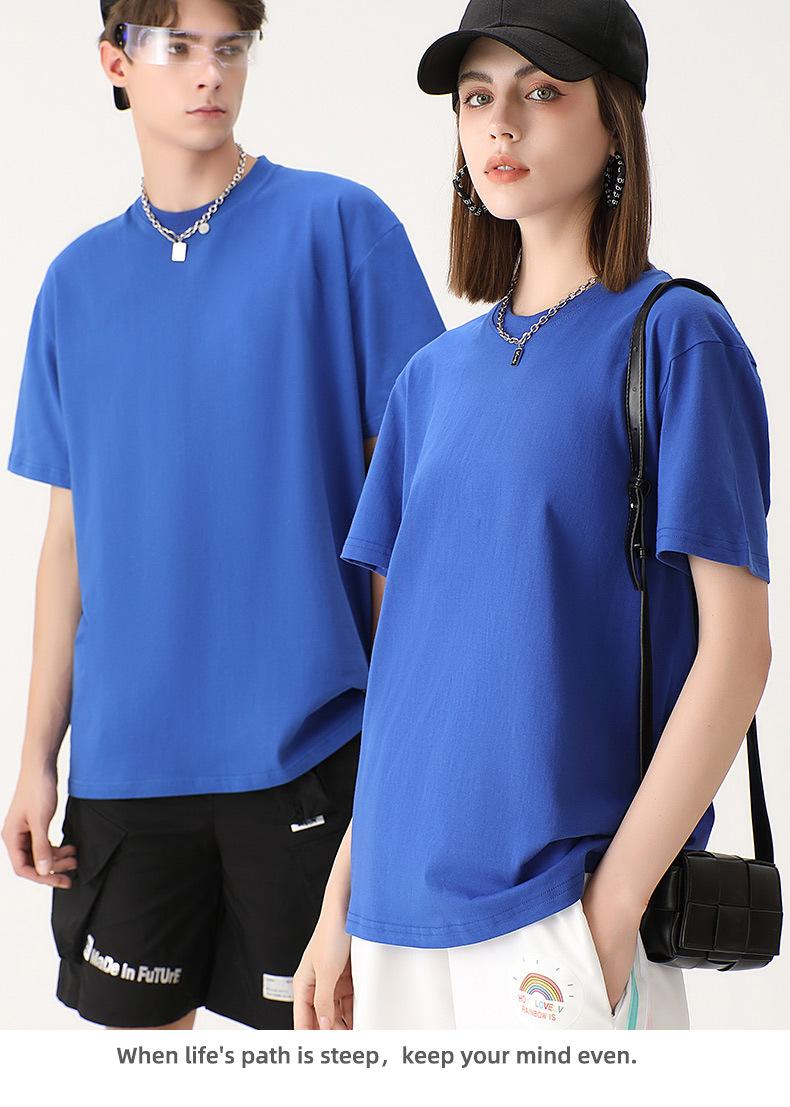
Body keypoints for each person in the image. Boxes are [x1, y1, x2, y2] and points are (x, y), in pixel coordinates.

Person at [293, 0, 773, 1031]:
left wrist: (613, 907)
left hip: (557, 912)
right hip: (391, 919)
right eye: (476, 98)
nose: (500, 124)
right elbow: (408, 678)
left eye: (542, 92)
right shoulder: (428, 382)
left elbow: (737, 653)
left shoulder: (673, 338)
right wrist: (337, 904)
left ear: (615, 121)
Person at [1, 0, 444, 1031]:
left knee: (324, 1054)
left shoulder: (341, 229)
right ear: (116, 62)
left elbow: (413, 506)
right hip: (125, 769)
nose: (210, 74)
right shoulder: (73, 284)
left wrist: (405, 739)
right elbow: (70, 540)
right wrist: (35, 756)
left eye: (230, 48)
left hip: (311, 752)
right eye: (177, 48)